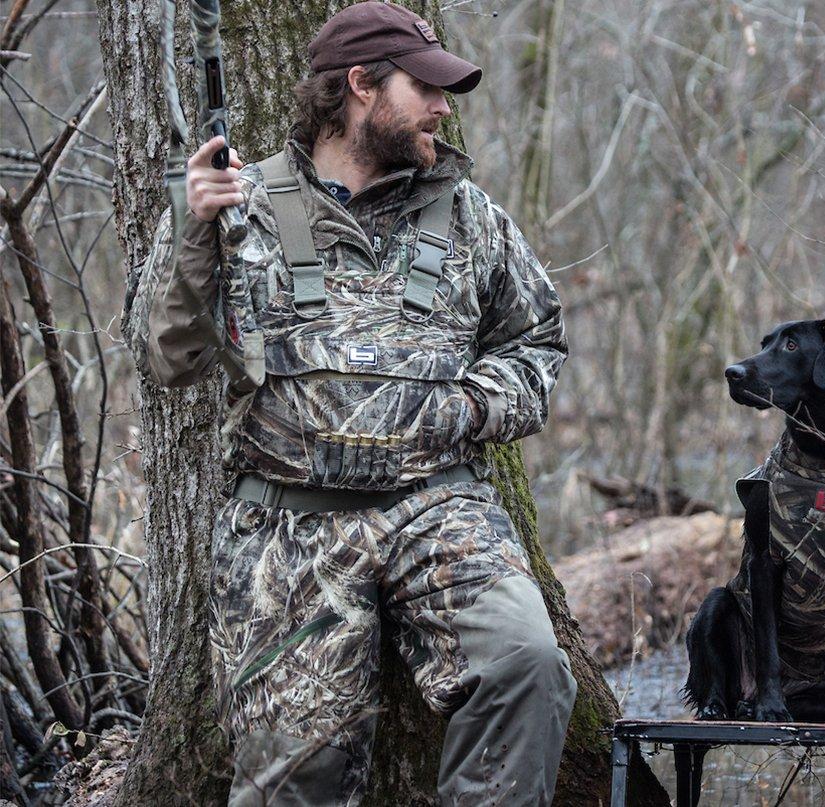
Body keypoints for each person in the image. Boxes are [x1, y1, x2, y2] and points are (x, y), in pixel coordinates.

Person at [127, 3, 575, 804]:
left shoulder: (469, 215)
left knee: (527, 663)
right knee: (294, 777)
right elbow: (171, 359)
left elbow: (535, 338)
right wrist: (195, 229)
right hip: (289, 527)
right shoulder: (238, 206)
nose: (444, 107)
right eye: (426, 89)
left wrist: (475, 407)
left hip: (437, 509)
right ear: (361, 86)